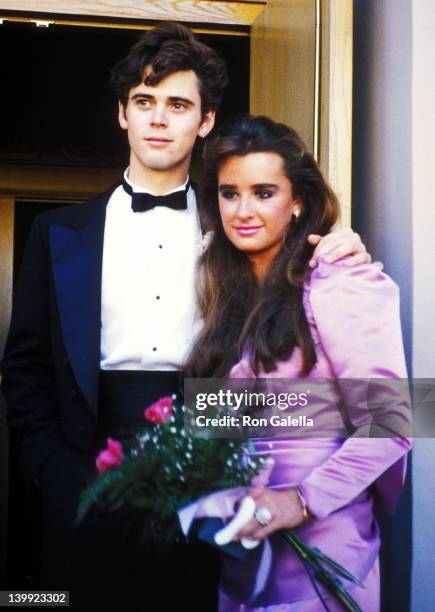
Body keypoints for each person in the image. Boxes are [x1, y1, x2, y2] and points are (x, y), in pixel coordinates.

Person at [1, 23, 370, 612]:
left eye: (178, 104)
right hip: (80, 460)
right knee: (55, 602)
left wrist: (335, 244)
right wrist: (48, 467)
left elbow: (384, 404)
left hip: (207, 456)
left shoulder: (237, 228)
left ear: (204, 122)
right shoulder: (56, 234)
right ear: (122, 113)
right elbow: (24, 366)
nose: (158, 118)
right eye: (144, 101)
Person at [185, 114, 411, 611]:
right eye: (229, 193)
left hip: (323, 542)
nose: (243, 210)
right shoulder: (223, 295)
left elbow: (396, 420)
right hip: (244, 550)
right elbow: (216, 425)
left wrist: (301, 499)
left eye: (264, 192)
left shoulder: (340, 280)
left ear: (298, 201)